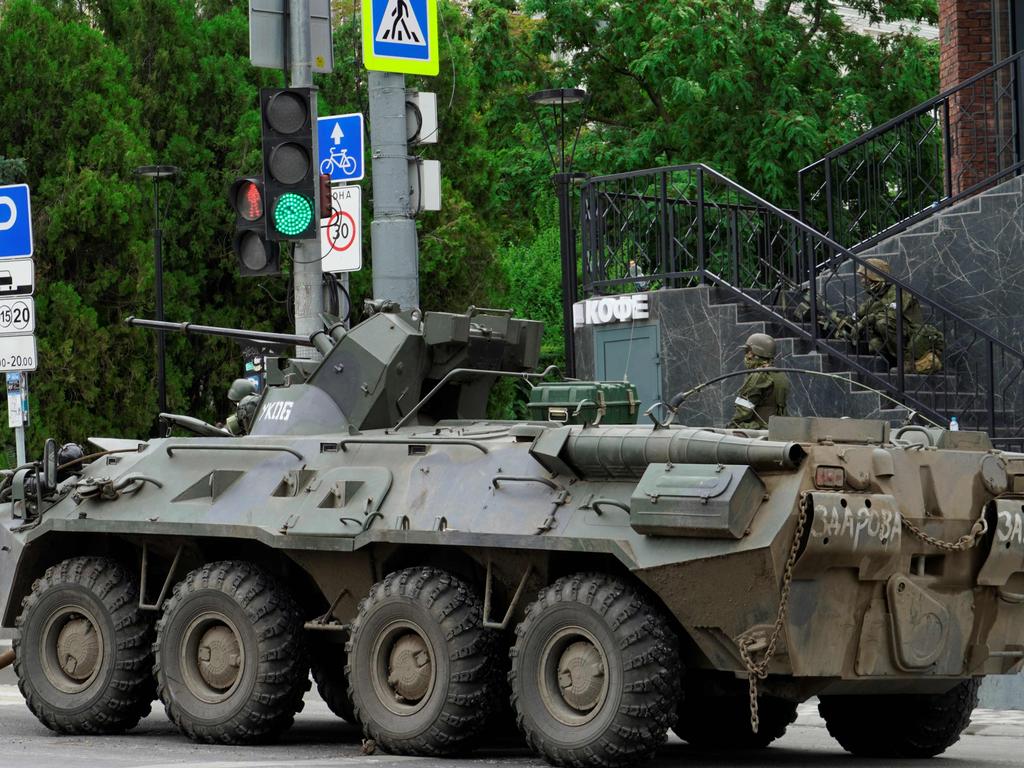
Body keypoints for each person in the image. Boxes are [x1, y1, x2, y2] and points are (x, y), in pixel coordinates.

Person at [850, 258, 943, 374]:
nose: (862, 281)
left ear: (874, 278)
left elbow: (892, 315)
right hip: (894, 336)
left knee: (883, 322)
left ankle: (907, 362)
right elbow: (856, 316)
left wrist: (867, 320)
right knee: (875, 345)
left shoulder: (900, 291)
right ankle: (894, 364)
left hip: (910, 333)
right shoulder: (875, 297)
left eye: (864, 277)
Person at [728, 333, 790, 429]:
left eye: (748, 351)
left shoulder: (759, 376)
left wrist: (732, 426)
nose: (747, 355)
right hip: (778, 429)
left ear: (756, 352)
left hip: (760, 431)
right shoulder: (780, 374)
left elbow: (743, 411)